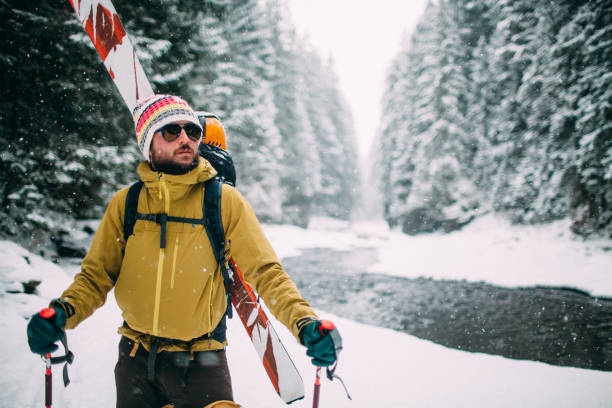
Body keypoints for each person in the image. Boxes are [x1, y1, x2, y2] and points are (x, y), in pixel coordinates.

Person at [26, 94, 339, 408]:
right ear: (148, 143)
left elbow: (267, 274)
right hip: (135, 362)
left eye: (192, 131)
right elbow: (96, 277)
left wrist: (305, 323)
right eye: (172, 131)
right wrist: (62, 312)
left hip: (202, 362)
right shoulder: (127, 203)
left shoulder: (224, 201)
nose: (186, 138)